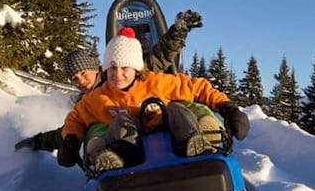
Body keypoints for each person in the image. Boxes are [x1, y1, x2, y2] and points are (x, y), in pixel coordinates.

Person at [57, 27, 250, 172]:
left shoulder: (156, 83)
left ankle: (197, 141)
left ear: (136, 68)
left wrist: (228, 108)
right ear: (105, 69)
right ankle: (111, 159)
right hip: (131, 150)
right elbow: (76, 118)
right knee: (118, 122)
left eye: (125, 68)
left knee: (177, 109)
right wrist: (71, 140)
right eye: (112, 68)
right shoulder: (98, 97)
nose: (118, 74)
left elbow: (196, 87)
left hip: (172, 139)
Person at [14, 10, 204, 152]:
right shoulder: (86, 103)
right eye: (74, 78)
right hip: (121, 153)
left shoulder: (125, 74)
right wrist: (38, 142)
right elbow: (70, 130)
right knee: (94, 131)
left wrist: (178, 32)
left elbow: (160, 56)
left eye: (83, 72)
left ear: (96, 68)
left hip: (157, 138)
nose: (80, 80)